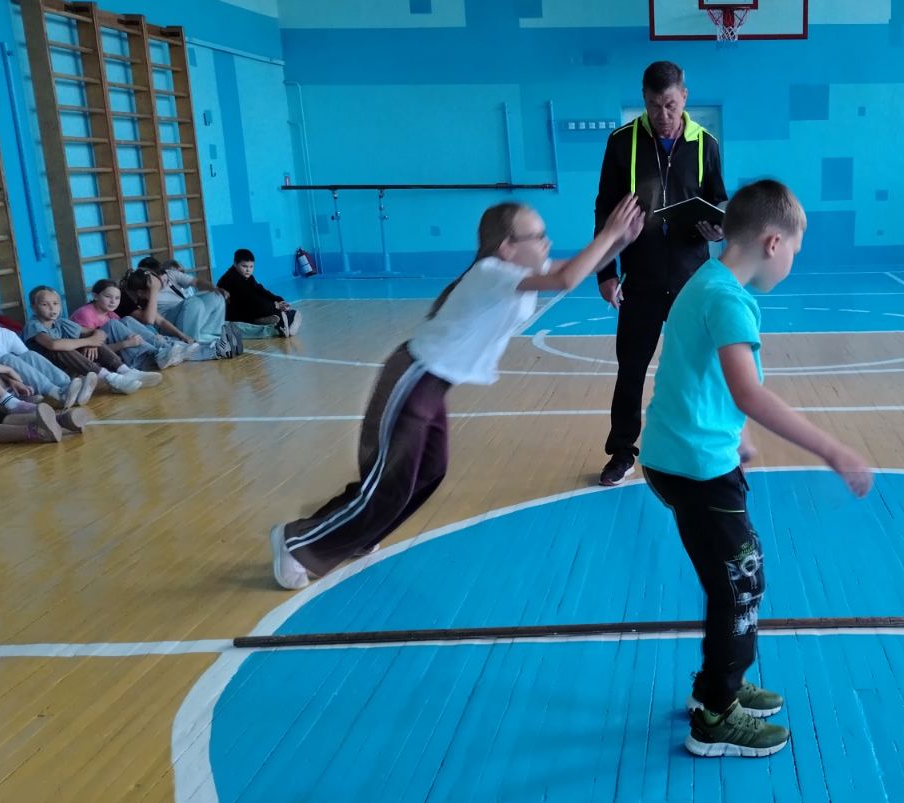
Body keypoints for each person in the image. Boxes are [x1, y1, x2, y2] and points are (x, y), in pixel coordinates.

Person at [270, 195, 646, 590]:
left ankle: (356, 533)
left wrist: (620, 242)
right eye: (537, 236)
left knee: (429, 472)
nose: (546, 242)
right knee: (389, 483)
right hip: (412, 379)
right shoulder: (491, 272)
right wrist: (609, 234)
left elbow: (573, 269)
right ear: (507, 247)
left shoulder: (519, 270)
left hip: (432, 387)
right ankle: (296, 542)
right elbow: (566, 279)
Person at [639, 180, 873, 759]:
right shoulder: (727, 299)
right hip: (697, 467)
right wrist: (832, 449)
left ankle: (717, 685)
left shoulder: (708, 282)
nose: (793, 261)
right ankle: (716, 715)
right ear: (773, 242)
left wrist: (736, 434)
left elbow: (697, 372)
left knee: (733, 578)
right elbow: (748, 392)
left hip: (682, 455)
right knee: (742, 582)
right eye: (795, 249)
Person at [593, 60, 727, 487]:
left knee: (695, 369)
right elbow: (605, 209)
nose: (663, 115)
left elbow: (719, 200)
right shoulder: (621, 143)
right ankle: (621, 452)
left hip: (692, 280)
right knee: (630, 370)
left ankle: (697, 447)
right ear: (643, 101)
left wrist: (718, 226)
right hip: (642, 279)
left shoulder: (706, 144)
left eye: (670, 105)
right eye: (653, 106)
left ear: (684, 97)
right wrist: (605, 273)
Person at [0, 293, 97, 408]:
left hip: (14, 380)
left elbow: (28, 360)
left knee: (29, 354)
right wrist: (12, 379)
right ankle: (57, 393)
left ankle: (67, 386)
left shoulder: (6, 334)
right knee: (7, 359)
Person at [23, 287, 160, 395]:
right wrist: (89, 341)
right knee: (62, 347)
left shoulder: (61, 322)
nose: (52, 308)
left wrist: (92, 341)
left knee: (88, 340)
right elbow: (53, 344)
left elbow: (98, 332)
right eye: (45, 304)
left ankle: (125, 371)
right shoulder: (33, 325)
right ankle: (109, 378)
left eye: (55, 303)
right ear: (34, 307)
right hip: (49, 371)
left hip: (70, 366)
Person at [71, 280, 193, 369]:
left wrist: (153, 335)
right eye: (108, 297)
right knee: (114, 324)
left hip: (118, 352)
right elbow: (93, 352)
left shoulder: (111, 314)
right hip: (99, 359)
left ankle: (166, 347)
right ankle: (158, 353)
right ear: (95, 296)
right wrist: (126, 344)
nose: (113, 301)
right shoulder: (85, 314)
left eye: (117, 298)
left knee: (127, 320)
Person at [217, 248, 301, 337]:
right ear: (235, 264)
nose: (248, 270)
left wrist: (278, 299)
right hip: (233, 316)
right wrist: (275, 305)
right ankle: (283, 322)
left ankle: (275, 320)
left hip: (245, 310)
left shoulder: (246, 276)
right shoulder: (231, 279)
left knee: (268, 303)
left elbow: (259, 289)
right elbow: (251, 297)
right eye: (244, 266)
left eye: (251, 267)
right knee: (265, 305)